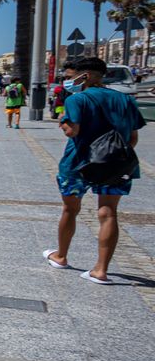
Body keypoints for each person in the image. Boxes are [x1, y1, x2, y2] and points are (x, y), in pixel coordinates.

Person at [45, 57, 145, 283]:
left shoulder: (77, 99)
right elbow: (133, 137)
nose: (69, 82)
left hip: (78, 163)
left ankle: (61, 256)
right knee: (108, 212)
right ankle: (100, 270)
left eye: (71, 78)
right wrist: (112, 156)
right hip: (115, 164)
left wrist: (63, 121)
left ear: (85, 76)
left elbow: (72, 131)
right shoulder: (125, 100)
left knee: (70, 210)